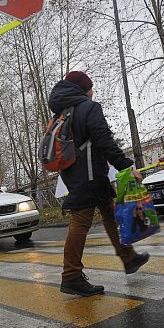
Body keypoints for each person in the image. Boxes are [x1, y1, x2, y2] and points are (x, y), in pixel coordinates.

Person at [48, 71, 150, 297]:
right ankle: (71, 276)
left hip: (78, 173)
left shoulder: (62, 112)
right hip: (90, 175)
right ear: (83, 88)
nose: (93, 91)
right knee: (81, 221)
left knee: (110, 212)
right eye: (90, 87)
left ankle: (128, 257)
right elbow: (104, 140)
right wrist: (125, 166)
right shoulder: (88, 108)